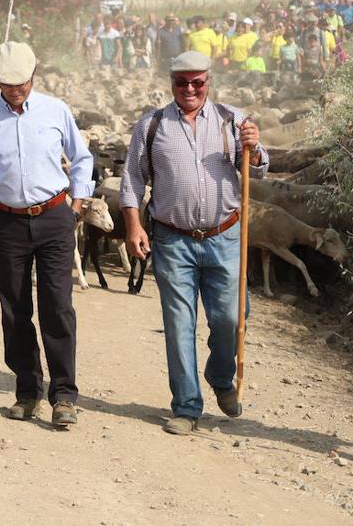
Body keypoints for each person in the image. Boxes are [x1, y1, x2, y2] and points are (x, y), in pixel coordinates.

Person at [119, 51, 267, 435]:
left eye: (197, 82)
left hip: (224, 235)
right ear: (171, 84)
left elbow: (259, 168)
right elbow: (133, 179)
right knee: (179, 323)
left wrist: (255, 146)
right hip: (173, 239)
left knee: (232, 317)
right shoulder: (152, 125)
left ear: (208, 82)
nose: (189, 89)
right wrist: (134, 227)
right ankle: (186, 406)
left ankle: (221, 376)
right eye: (182, 82)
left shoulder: (232, 121)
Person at [0, 42, 94, 428]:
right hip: (6, 221)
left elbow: (81, 157)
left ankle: (64, 394)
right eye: (7, 84)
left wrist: (78, 201)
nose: (15, 90)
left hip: (54, 216)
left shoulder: (55, 110)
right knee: (14, 308)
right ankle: (27, 390)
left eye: (21, 83)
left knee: (57, 305)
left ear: (34, 75)